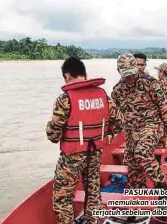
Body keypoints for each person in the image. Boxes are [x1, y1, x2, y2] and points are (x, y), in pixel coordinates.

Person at [46, 56, 121, 224]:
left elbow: (53, 135)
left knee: (62, 198)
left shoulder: (65, 99)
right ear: (84, 73)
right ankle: (94, 220)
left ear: (66, 75)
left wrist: (50, 130)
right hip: (95, 153)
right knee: (93, 192)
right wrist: (108, 133)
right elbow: (119, 121)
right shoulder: (103, 95)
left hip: (72, 156)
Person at [111, 52, 167, 190]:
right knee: (133, 169)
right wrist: (111, 131)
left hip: (151, 126)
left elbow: (164, 107)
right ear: (119, 71)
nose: (130, 77)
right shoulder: (117, 91)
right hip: (131, 133)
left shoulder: (150, 83)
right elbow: (115, 114)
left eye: (133, 73)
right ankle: (140, 200)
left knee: (142, 152)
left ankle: (164, 188)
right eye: (126, 74)